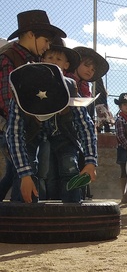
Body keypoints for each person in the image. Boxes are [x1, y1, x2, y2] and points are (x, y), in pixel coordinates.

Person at [6, 63, 97, 204]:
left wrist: (90, 161)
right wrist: (24, 175)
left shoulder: (70, 91)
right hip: (30, 134)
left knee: (69, 165)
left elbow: (86, 126)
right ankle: (23, 211)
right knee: (25, 168)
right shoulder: (19, 97)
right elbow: (14, 136)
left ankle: (73, 210)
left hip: (63, 132)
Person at [0, 10, 66, 202]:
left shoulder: (35, 61)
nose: (47, 46)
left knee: (17, 174)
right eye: (45, 40)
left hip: (32, 129)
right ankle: (22, 221)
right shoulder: (9, 58)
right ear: (30, 34)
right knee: (23, 173)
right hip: (14, 129)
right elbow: (6, 99)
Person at [41, 37, 82, 200]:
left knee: (70, 170)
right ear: (42, 60)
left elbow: (81, 117)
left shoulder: (71, 85)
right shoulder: (36, 83)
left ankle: (73, 207)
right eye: (50, 57)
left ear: (66, 65)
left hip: (66, 137)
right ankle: (49, 212)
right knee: (48, 176)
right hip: (44, 137)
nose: (53, 61)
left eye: (58, 59)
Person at [69, 46, 110, 200]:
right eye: (86, 65)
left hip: (80, 136)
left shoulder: (85, 87)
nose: (90, 71)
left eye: (92, 69)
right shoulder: (68, 82)